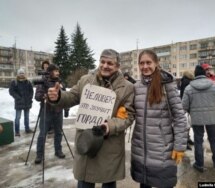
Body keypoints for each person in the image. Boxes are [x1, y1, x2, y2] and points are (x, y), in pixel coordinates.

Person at [47, 49, 135, 188]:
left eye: (110, 63)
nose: (105, 66)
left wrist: (109, 126)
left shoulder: (127, 87)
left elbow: (128, 116)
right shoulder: (86, 80)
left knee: (108, 182)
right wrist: (58, 96)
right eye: (102, 62)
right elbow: (72, 97)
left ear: (117, 66)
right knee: (84, 182)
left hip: (109, 145)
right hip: (87, 141)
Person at [131, 50, 187, 188]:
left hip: (162, 150)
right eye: (141, 63)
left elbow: (179, 117)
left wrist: (179, 146)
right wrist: (123, 112)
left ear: (156, 63)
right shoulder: (136, 87)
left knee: (164, 183)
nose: (145, 66)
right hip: (141, 150)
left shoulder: (167, 85)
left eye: (148, 62)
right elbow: (131, 112)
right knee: (144, 185)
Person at [182, 65, 215, 172]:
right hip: (211, 117)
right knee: (213, 139)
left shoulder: (189, 88)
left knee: (198, 140)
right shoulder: (213, 85)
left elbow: (184, 106)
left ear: (195, 74)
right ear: (205, 74)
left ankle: (199, 164)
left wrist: (190, 110)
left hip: (197, 119)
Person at [34, 64, 67, 164]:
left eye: (58, 71)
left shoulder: (59, 82)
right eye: (56, 71)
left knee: (58, 132)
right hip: (46, 111)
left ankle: (58, 151)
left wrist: (66, 109)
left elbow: (65, 96)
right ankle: (39, 155)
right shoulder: (43, 81)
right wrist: (46, 95)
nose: (58, 73)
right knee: (42, 134)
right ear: (50, 72)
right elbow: (37, 96)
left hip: (58, 111)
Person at [9, 68, 34, 136]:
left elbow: (31, 91)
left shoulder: (28, 82)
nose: (21, 74)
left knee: (27, 117)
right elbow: (11, 91)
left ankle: (27, 129)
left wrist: (30, 98)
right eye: (20, 73)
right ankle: (17, 131)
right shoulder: (14, 82)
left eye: (22, 73)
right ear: (18, 74)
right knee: (17, 117)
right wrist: (18, 98)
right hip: (19, 103)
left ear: (24, 74)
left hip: (27, 103)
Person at [179, 70, 195, 150]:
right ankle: (185, 142)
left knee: (187, 125)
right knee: (186, 125)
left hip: (185, 104)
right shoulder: (187, 81)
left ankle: (187, 140)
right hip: (186, 105)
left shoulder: (184, 80)